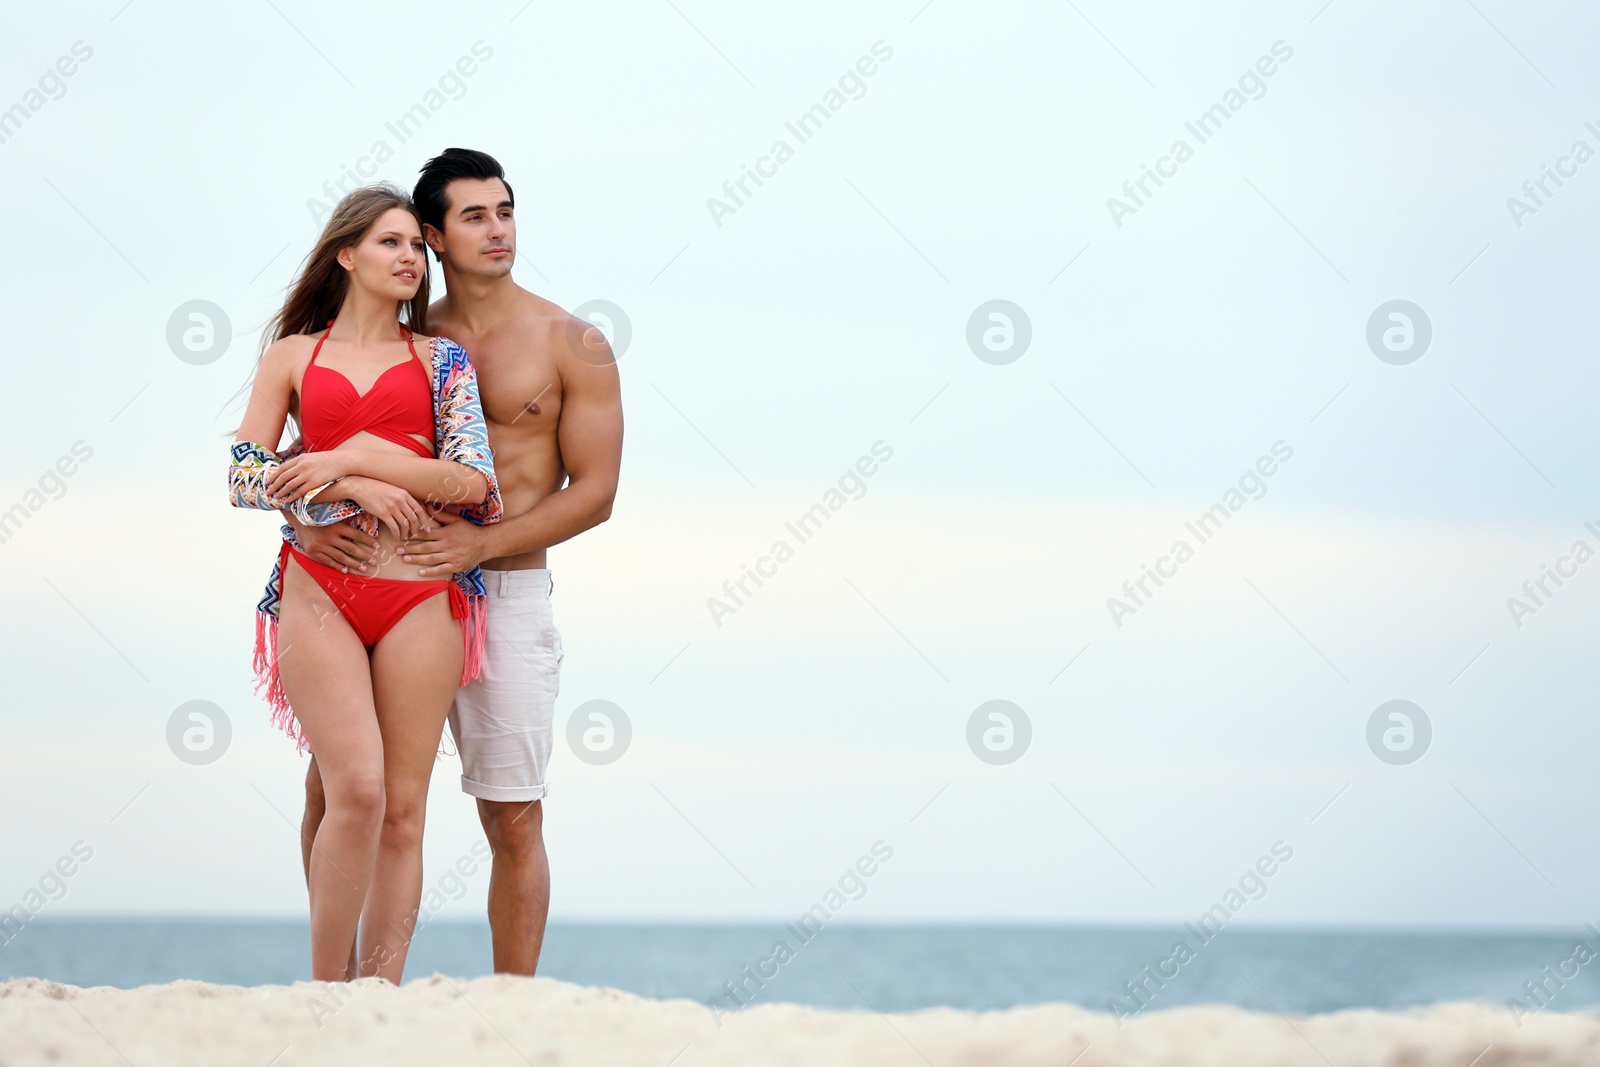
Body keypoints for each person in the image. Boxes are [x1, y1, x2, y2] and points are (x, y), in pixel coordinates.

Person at [292, 148, 623, 975]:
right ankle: (338, 984)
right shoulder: (411, 339)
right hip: (391, 587)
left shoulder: (570, 340)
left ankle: (512, 1003)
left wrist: (481, 543)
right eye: (475, 216)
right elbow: (308, 460)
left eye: (506, 211)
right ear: (433, 235)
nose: (498, 229)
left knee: (512, 819)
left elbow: (597, 492)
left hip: (503, 589)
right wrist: (303, 527)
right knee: (341, 794)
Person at [228, 183, 502, 982]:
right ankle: (323, 993)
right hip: (318, 587)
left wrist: (353, 461)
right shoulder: (291, 356)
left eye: (417, 246)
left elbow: (475, 482)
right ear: (346, 254)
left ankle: (377, 999)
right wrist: (317, 509)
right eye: (391, 244)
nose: (411, 258)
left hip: (420, 591)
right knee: (354, 787)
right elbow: (245, 474)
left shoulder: (440, 360)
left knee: (404, 810)